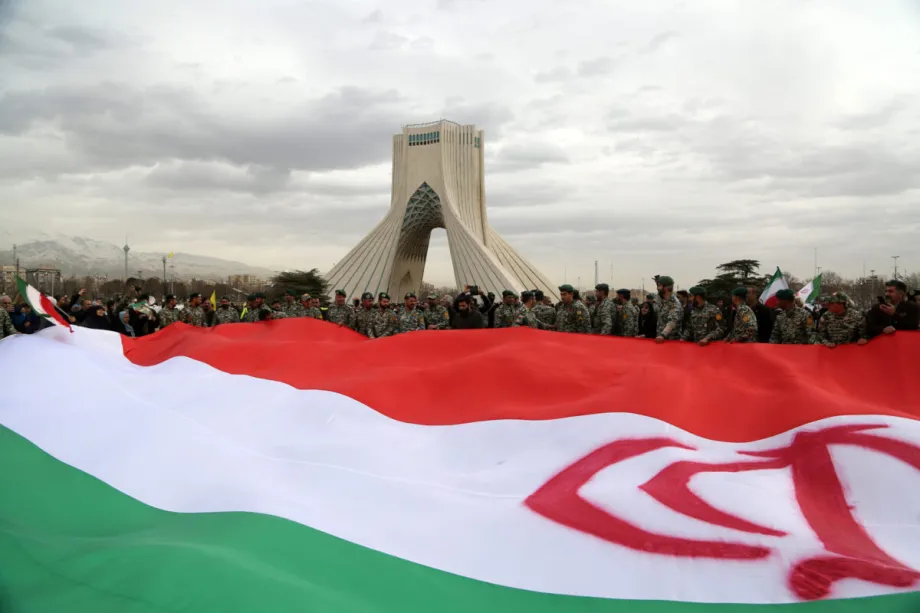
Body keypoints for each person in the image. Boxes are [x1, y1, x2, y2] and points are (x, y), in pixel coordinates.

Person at [654, 276, 683, 342]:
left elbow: (672, 322)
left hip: (671, 340)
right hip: (660, 338)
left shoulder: (675, 303)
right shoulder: (661, 300)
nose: (657, 288)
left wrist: (662, 335)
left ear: (667, 288)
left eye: (659, 286)